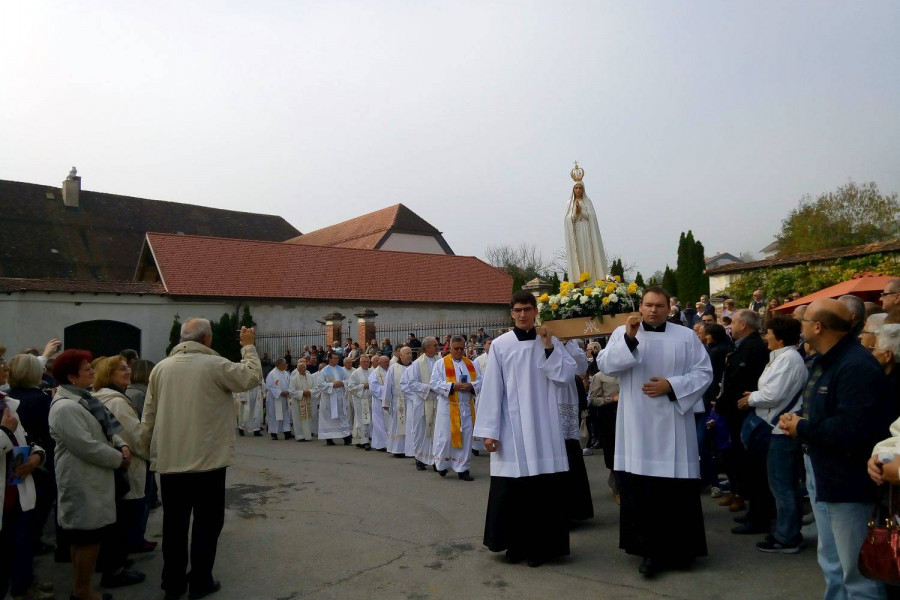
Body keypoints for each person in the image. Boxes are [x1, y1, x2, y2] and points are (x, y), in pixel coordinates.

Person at [139, 319, 261, 600]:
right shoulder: (214, 365)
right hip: (208, 461)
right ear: (207, 340)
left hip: (171, 461)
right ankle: (200, 579)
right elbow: (251, 377)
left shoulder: (160, 368)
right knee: (207, 523)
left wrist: (144, 451)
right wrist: (248, 346)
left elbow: (149, 416)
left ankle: (172, 583)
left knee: (174, 525)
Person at [779, 299, 893, 600]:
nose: (799, 327)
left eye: (803, 321)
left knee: (857, 571)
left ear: (818, 327)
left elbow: (852, 428)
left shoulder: (856, 366)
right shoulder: (825, 359)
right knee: (832, 562)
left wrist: (801, 427)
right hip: (823, 470)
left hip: (848, 481)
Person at [595, 286, 713, 577]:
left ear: (669, 308)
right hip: (637, 425)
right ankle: (648, 551)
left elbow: (704, 373)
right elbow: (605, 365)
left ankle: (681, 549)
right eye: (648, 304)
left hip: (674, 421)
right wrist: (629, 339)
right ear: (640, 305)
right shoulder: (625, 333)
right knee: (642, 491)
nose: (653, 310)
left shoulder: (685, 336)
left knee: (673, 493)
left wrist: (671, 386)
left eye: (659, 305)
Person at [474, 290, 574, 566]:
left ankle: (543, 548)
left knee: (543, 491)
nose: (522, 314)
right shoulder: (501, 345)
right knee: (514, 490)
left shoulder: (548, 339)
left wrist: (549, 347)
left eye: (527, 309)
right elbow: (493, 388)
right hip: (512, 426)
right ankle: (515, 546)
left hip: (545, 425)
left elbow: (565, 375)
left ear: (535, 311)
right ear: (511, 312)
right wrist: (489, 431)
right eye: (517, 310)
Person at [50, 349, 133, 600]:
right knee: (86, 537)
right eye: (87, 370)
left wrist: (121, 443)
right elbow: (87, 446)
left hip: (93, 477)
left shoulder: (85, 398)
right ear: (72, 377)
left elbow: (104, 428)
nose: (93, 373)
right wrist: (119, 459)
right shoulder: (66, 407)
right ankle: (83, 590)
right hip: (82, 479)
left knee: (86, 536)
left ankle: (82, 587)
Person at [735, 316, 807, 553]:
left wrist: (752, 398)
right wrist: (756, 394)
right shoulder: (784, 358)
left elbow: (773, 395)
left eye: (769, 332)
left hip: (781, 430)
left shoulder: (789, 359)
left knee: (782, 485)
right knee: (781, 484)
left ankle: (787, 537)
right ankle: (786, 533)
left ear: (779, 336)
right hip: (777, 426)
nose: (766, 336)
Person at [93, 356, 153, 579]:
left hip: (117, 466)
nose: (128, 372)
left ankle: (113, 561)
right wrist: (153, 456)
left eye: (128, 367)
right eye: (121, 369)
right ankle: (114, 568)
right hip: (127, 466)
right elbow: (135, 436)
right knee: (122, 521)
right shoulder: (117, 401)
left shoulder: (108, 396)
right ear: (108, 375)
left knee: (116, 521)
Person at [716, 310, 770, 522]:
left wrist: (724, 402)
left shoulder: (754, 347)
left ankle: (758, 513)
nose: (731, 326)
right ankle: (750, 505)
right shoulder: (741, 346)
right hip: (735, 410)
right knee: (740, 460)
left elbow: (740, 380)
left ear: (745, 325)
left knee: (751, 464)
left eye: (735, 322)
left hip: (744, 410)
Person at [0, 384, 51, 600]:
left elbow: (25, 439)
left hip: (16, 491)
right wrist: (4, 432)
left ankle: (24, 587)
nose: (3, 366)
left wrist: (37, 456)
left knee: (20, 546)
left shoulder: (6, 402)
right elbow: (8, 437)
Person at [6, 354, 57, 556]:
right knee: (33, 511)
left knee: (18, 513)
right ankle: (28, 555)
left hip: (16, 457)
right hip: (37, 459)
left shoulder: (9, 397)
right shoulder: (40, 400)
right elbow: (49, 434)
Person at [430, 336, 482, 481]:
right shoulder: (441, 364)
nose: (459, 351)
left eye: (461, 348)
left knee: (465, 438)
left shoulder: (471, 364)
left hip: (466, 407)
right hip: (448, 407)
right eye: (456, 348)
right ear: (450, 348)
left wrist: (471, 386)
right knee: (445, 437)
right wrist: (453, 386)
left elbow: (480, 380)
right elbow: (434, 383)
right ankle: (441, 465)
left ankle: (463, 468)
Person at [553, 340, 593, 519]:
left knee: (570, 453)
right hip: (547, 398)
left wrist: (567, 342)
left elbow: (581, 368)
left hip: (566, 398)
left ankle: (574, 510)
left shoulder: (570, 344)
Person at [400, 338, 441, 470]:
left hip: (437, 401)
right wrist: (429, 388)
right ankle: (420, 458)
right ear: (426, 348)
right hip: (422, 402)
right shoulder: (417, 364)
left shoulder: (439, 362)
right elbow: (411, 383)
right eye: (434, 345)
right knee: (421, 431)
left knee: (436, 431)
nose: (437, 347)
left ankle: (436, 459)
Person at [564, 165, 608, 281]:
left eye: (580, 188)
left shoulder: (587, 201)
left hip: (587, 231)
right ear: (573, 190)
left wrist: (581, 213)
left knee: (588, 255)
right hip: (576, 232)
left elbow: (592, 217)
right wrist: (575, 214)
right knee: (578, 255)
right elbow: (567, 220)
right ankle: (579, 281)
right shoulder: (569, 203)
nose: (578, 190)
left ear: (583, 189)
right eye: (576, 188)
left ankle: (593, 280)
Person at [588, 366, 620, 501]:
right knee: (613, 452)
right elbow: (593, 399)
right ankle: (617, 489)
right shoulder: (599, 376)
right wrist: (612, 399)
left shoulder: (626, 373)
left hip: (628, 413)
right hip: (609, 417)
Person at [316, 351, 352, 446]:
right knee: (328, 419)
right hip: (329, 399)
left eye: (337, 358)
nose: (337, 360)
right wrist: (332, 384)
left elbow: (349, 380)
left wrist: (342, 383)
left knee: (342, 417)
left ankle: (346, 437)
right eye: (335, 358)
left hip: (340, 398)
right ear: (329, 359)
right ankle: (329, 438)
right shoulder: (324, 371)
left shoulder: (341, 370)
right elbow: (320, 384)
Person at [382, 347, 412, 457]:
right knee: (398, 424)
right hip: (398, 401)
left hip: (412, 402)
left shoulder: (415, 366)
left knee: (412, 425)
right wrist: (386, 402)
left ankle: (412, 449)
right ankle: (398, 449)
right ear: (401, 355)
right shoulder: (394, 367)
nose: (409, 355)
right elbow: (388, 385)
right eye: (407, 353)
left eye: (410, 353)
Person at [346, 354, 373, 449]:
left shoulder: (372, 371)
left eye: (368, 362)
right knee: (363, 420)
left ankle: (369, 438)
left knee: (371, 420)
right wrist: (363, 386)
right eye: (364, 362)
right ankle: (365, 441)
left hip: (371, 400)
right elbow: (350, 387)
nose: (366, 363)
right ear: (360, 362)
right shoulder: (356, 373)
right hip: (360, 401)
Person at [288, 359, 317, 442]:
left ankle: (307, 435)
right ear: (298, 369)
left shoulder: (310, 377)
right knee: (298, 419)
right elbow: (291, 391)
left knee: (308, 418)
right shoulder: (294, 378)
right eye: (301, 368)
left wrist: (310, 392)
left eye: (304, 367)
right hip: (298, 402)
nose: (303, 369)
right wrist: (302, 393)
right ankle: (300, 436)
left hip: (308, 400)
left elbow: (316, 388)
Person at [265, 359, 292, 440]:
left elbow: (290, 383)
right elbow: (269, 386)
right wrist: (280, 392)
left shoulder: (286, 373)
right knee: (274, 415)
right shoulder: (272, 374)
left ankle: (287, 432)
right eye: (284, 364)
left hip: (285, 398)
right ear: (279, 365)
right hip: (275, 399)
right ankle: (274, 433)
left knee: (285, 415)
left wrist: (289, 391)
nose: (286, 365)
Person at [367, 356, 390, 451]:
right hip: (378, 402)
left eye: (388, 362)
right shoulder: (374, 374)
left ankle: (384, 443)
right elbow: (373, 388)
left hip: (389, 401)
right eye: (385, 362)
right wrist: (386, 390)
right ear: (379, 363)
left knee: (388, 423)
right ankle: (382, 444)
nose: (387, 364)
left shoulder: (391, 370)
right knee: (379, 423)